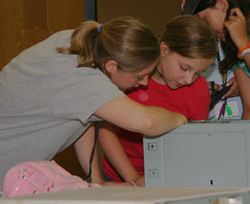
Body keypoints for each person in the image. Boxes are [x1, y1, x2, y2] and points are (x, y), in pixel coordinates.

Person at [0, 16, 188, 190]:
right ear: (112, 66)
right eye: (139, 76)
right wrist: (181, 119)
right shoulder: (80, 77)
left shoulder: (73, 43)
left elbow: (83, 115)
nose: (144, 83)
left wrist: (97, 182)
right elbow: (147, 122)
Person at [99, 15, 217, 185]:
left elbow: (193, 145)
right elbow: (105, 131)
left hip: (169, 177)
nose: (189, 79)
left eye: (198, 73)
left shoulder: (198, 89)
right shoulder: (131, 78)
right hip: (119, 175)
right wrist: (133, 178)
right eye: (184, 68)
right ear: (164, 49)